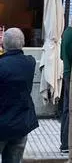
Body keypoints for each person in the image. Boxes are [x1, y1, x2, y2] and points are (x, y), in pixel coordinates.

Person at [0, 28, 39, 162]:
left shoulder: (2, 65)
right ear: (22, 44)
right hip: (21, 123)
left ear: (3, 44)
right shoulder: (30, 62)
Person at [60, 11, 72, 153]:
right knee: (71, 109)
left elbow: (62, 54)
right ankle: (67, 143)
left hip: (66, 72)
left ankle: (64, 142)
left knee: (67, 109)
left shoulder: (66, 32)